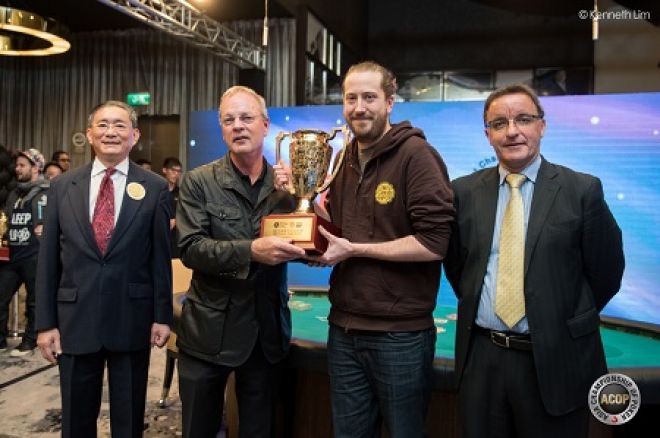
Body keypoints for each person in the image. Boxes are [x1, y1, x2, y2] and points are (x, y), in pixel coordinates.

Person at [276, 61, 455, 437]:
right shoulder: (342, 158)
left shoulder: (417, 156)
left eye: (369, 97)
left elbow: (434, 242)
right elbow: (339, 230)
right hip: (343, 329)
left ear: (390, 103)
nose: (359, 107)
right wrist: (300, 197)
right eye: (351, 98)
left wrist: (354, 249)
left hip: (399, 336)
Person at [443, 84, 625, 438]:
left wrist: (559, 314)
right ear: (487, 135)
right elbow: (458, 268)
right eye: (499, 123)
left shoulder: (581, 190)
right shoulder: (461, 192)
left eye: (523, 119)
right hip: (483, 358)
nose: (512, 131)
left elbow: (607, 272)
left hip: (556, 359)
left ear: (542, 126)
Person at [36, 101, 173, 438]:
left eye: (120, 125)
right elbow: (49, 259)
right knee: (76, 420)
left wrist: (162, 315)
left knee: (128, 421)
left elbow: (160, 258)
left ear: (135, 135)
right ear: (89, 135)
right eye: (103, 125)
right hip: (74, 319)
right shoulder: (61, 187)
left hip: (132, 317)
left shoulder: (154, 187)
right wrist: (45, 324)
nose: (111, 131)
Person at [176, 85, 306, 438]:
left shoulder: (285, 185)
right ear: (221, 129)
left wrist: (302, 193)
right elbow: (191, 248)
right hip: (207, 334)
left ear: (265, 125)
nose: (238, 126)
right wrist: (251, 251)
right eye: (229, 120)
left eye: (246, 118)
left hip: (265, 337)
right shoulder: (198, 182)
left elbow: (315, 246)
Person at [0, 148, 47, 356]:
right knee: (1, 296)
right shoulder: (14, 193)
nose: (17, 169)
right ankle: (1, 340)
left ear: (35, 168)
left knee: (34, 300)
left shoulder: (47, 191)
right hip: (12, 254)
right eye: (16, 165)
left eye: (22, 165)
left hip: (34, 254)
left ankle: (30, 341)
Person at [161, 156, 182, 258]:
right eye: (173, 170)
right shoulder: (156, 190)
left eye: (178, 171)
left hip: (175, 239)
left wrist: (176, 220)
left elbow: (187, 213)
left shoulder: (182, 192)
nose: (176, 174)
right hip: (159, 236)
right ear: (164, 170)